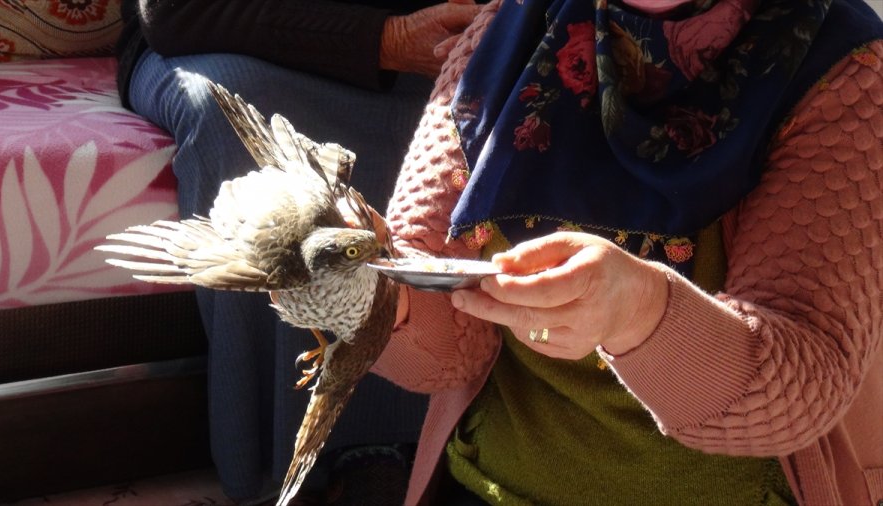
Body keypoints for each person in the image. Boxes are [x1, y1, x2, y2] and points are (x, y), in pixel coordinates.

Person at [369, 0, 883, 504]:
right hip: (493, 485)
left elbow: (803, 387)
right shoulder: (503, 35)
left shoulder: (844, 66)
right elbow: (443, 352)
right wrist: (370, 292)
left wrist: (641, 310)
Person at [113, 1, 481, 504]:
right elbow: (172, 13)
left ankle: (422, 439)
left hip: (421, 55)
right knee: (236, 119)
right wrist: (383, 40)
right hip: (223, 41)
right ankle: (289, 470)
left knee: (469, 112)